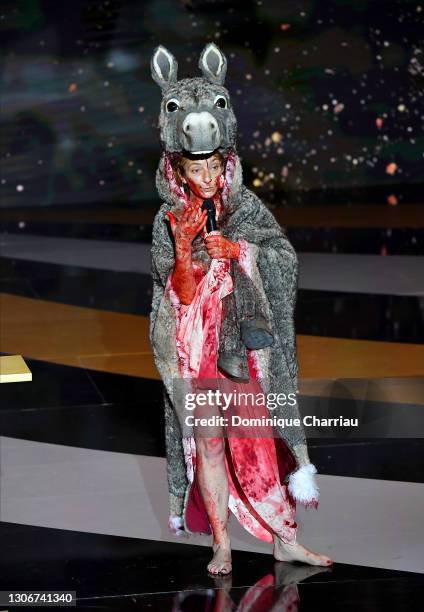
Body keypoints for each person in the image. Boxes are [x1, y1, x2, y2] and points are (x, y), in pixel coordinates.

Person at [150, 149, 333, 575]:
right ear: (180, 172)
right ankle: (222, 544)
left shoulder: (245, 205)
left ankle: (286, 540)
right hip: (196, 347)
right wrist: (183, 248)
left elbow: (284, 258)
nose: (209, 176)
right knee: (209, 443)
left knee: (258, 444)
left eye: (214, 166)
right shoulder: (170, 216)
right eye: (197, 168)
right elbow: (179, 294)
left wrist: (238, 250)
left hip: (241, 347)